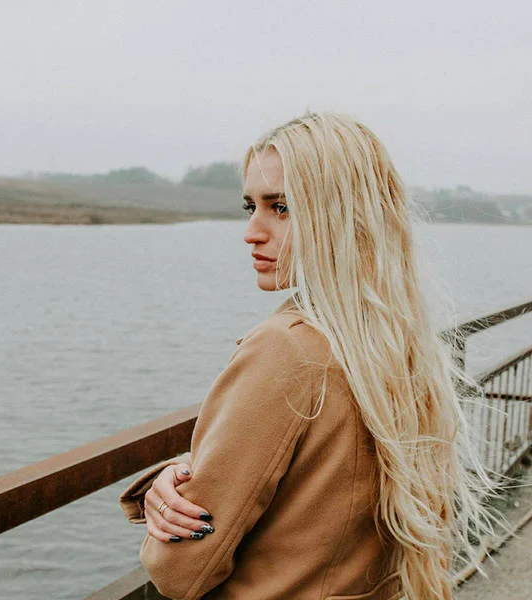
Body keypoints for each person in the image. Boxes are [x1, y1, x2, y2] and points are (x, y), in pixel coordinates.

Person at [120, 112, 492, 599]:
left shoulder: (287, 349)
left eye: (282, 207)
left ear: (346, 216)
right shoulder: (391, 340)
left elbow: (181, 572)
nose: (252, 231)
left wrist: (168, 495)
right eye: (250, 206)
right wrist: (190, 469)